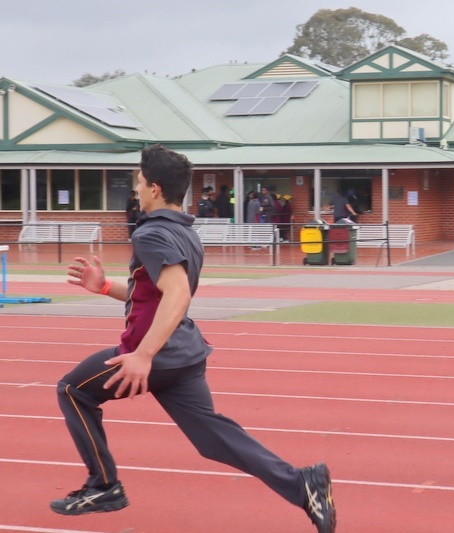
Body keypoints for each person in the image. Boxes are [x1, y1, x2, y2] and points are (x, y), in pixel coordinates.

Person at [50, 145, 336, 533]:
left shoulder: (151, 234)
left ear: (153, 187)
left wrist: (143, 355)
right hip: (184, 354)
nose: (135, 187)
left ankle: (104, 486)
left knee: (72, 390)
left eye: (137, 180)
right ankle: (303, 485)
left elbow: (178, 293)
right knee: (213, 439)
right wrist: (104, 288)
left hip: (157, 354)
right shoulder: (184, 231)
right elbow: (153, 292)